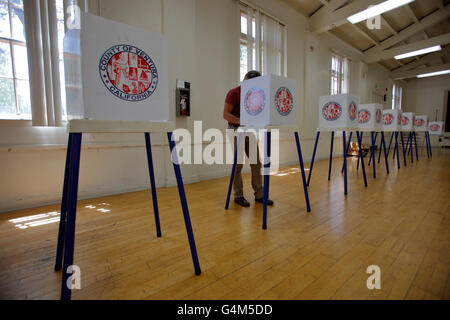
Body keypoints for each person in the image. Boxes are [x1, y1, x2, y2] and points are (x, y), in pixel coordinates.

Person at [223, 70, 274, 207]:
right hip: (235, 130)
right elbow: (226, 114)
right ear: (244, 81)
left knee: (256, 163)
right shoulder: (234, 93)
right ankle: (238, 195)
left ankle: (259, 195)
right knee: (238, 165)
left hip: (249, 131)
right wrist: (243, 121)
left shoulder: (256, 95)